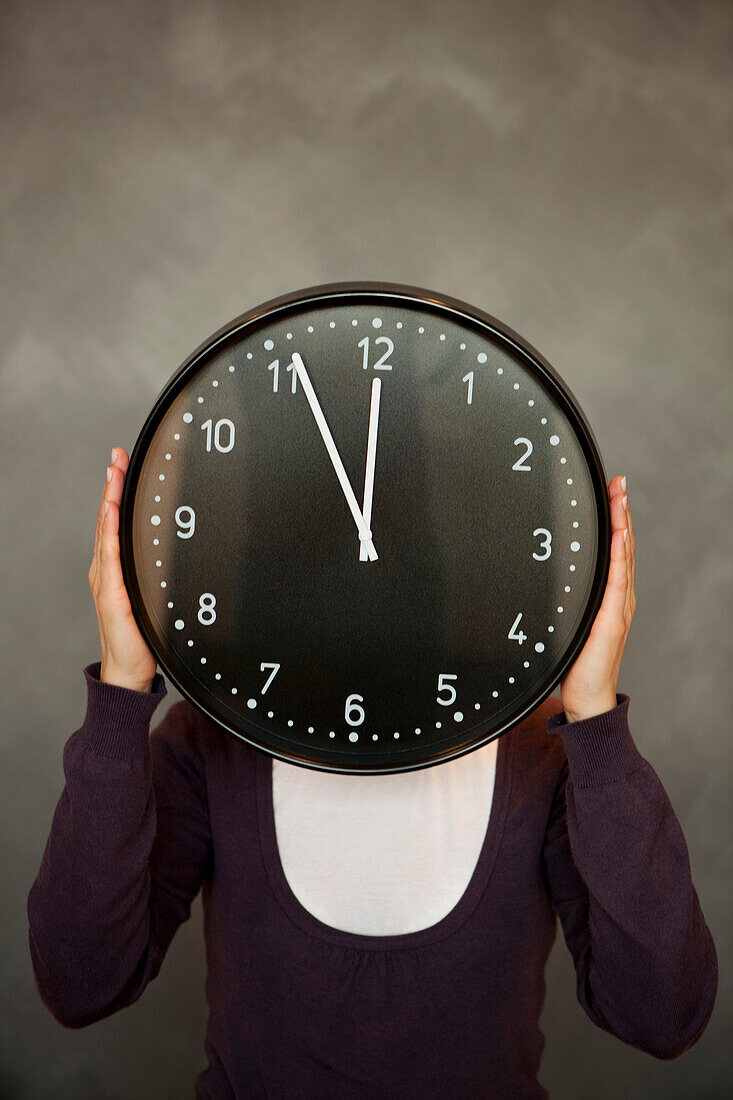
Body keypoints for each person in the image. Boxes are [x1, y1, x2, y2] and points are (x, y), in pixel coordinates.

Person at [27, 447, 718, 1098]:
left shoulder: (539, 751)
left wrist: (593, 717)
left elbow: (661, 1014)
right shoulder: (212, 741)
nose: (367, 557)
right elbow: (82, 983)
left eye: (401, 531)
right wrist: (122, 690)